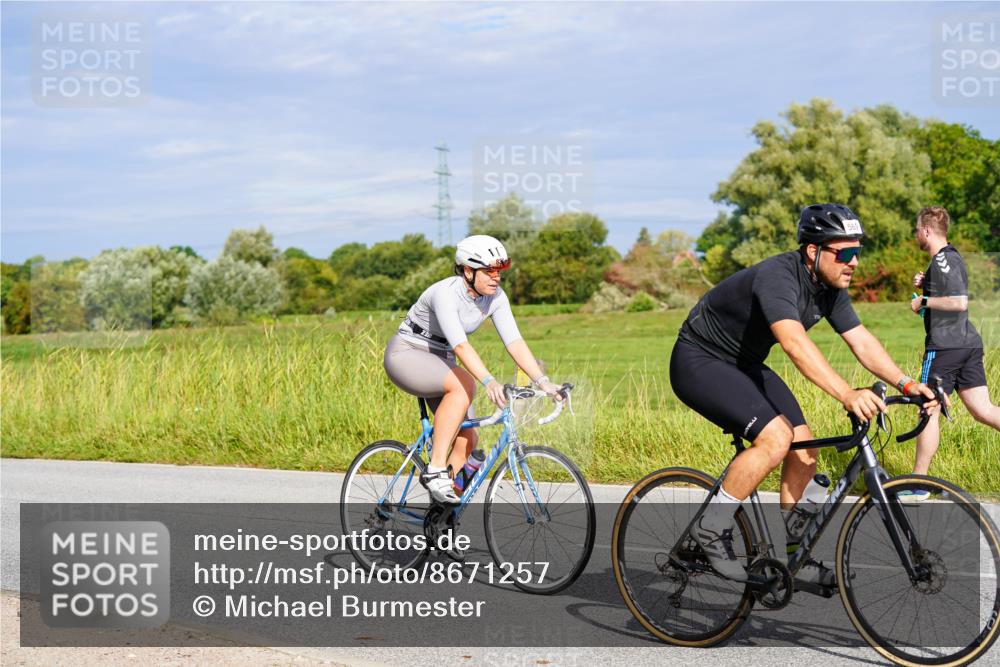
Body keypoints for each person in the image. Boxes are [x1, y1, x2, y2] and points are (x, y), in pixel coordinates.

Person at [669, 203, 939, 586]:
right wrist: (846, 394)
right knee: (776, 438)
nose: (855, 262)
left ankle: (796, 555)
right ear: (814, 251)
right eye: (845, 253)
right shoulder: (779, 277)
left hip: (744, 362)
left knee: (805, 448)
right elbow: (794, 344)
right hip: (699, 360)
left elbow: (860, 340)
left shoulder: (829, 286)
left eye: (858, 252)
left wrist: (907, 384)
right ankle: (710, 528)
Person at [383, 234, 563, 504]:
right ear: (468, 270)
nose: (496, 277)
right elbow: (461, 346)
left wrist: (543, 381)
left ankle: (442, 516)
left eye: (499, 271)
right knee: (465, 384)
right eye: (489, 271)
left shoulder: (495, 297)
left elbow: (514, 342)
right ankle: (435, 471)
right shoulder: (445, 293)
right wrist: (489, 381)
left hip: (440, 359)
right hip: (407, 354)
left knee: (469, 436)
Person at [904, 206, 999, 500]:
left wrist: (924, 301)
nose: (916, 234)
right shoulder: (944, 260)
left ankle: (918, 485)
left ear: (928, 230)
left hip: (946, 347)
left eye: (918, 229)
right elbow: (949, 288)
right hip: (967, 344)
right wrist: (928, 284)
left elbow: (958, 302)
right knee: (984, 410)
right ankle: (919, 483)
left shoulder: (944, 260)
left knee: (927, 409)